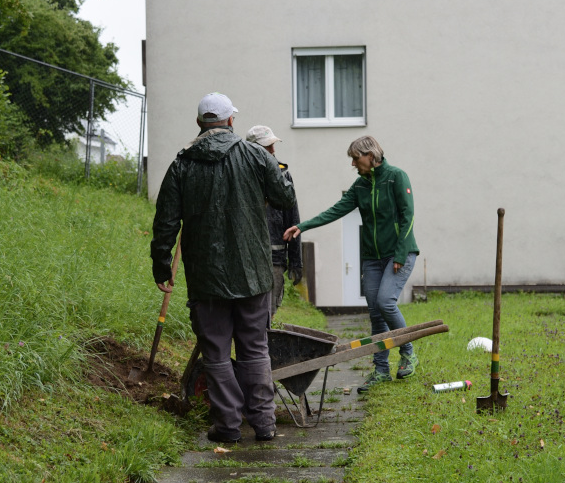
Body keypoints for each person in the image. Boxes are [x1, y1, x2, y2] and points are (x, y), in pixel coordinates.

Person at [151, 93, 297, 443]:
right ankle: (264, 424)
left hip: (207, 278)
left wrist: (161, 267)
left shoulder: (182, 164)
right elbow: (285, 196)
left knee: (216, 352)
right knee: (255, 348)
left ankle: (228, 426)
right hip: (253, 274)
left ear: (200, 124)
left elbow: (165, 223)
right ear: (231, 121)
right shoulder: (256, 155)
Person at [283, 136, 419, 393]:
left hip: (398, 254)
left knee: (385, 302)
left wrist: (401, 254)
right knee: (375, 313)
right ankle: (380, 370)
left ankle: (408, 352)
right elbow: (335, 211)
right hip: (371, 258)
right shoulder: (360, 186)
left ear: (370, 155)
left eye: (356, 159)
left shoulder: (396, 177)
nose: (354, 164)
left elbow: (408, 216)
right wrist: (302, 226)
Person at [245, 125, 302, 315]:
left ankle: (263, 343)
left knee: (269, 312)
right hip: (246, 259)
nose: (273, 150)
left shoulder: (283, 175)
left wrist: (296, 261)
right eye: (267, 146)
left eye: (273, 145)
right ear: (252, 149)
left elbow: (293, 220)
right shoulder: (239, 176)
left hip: (274, 258)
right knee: (249, 313)